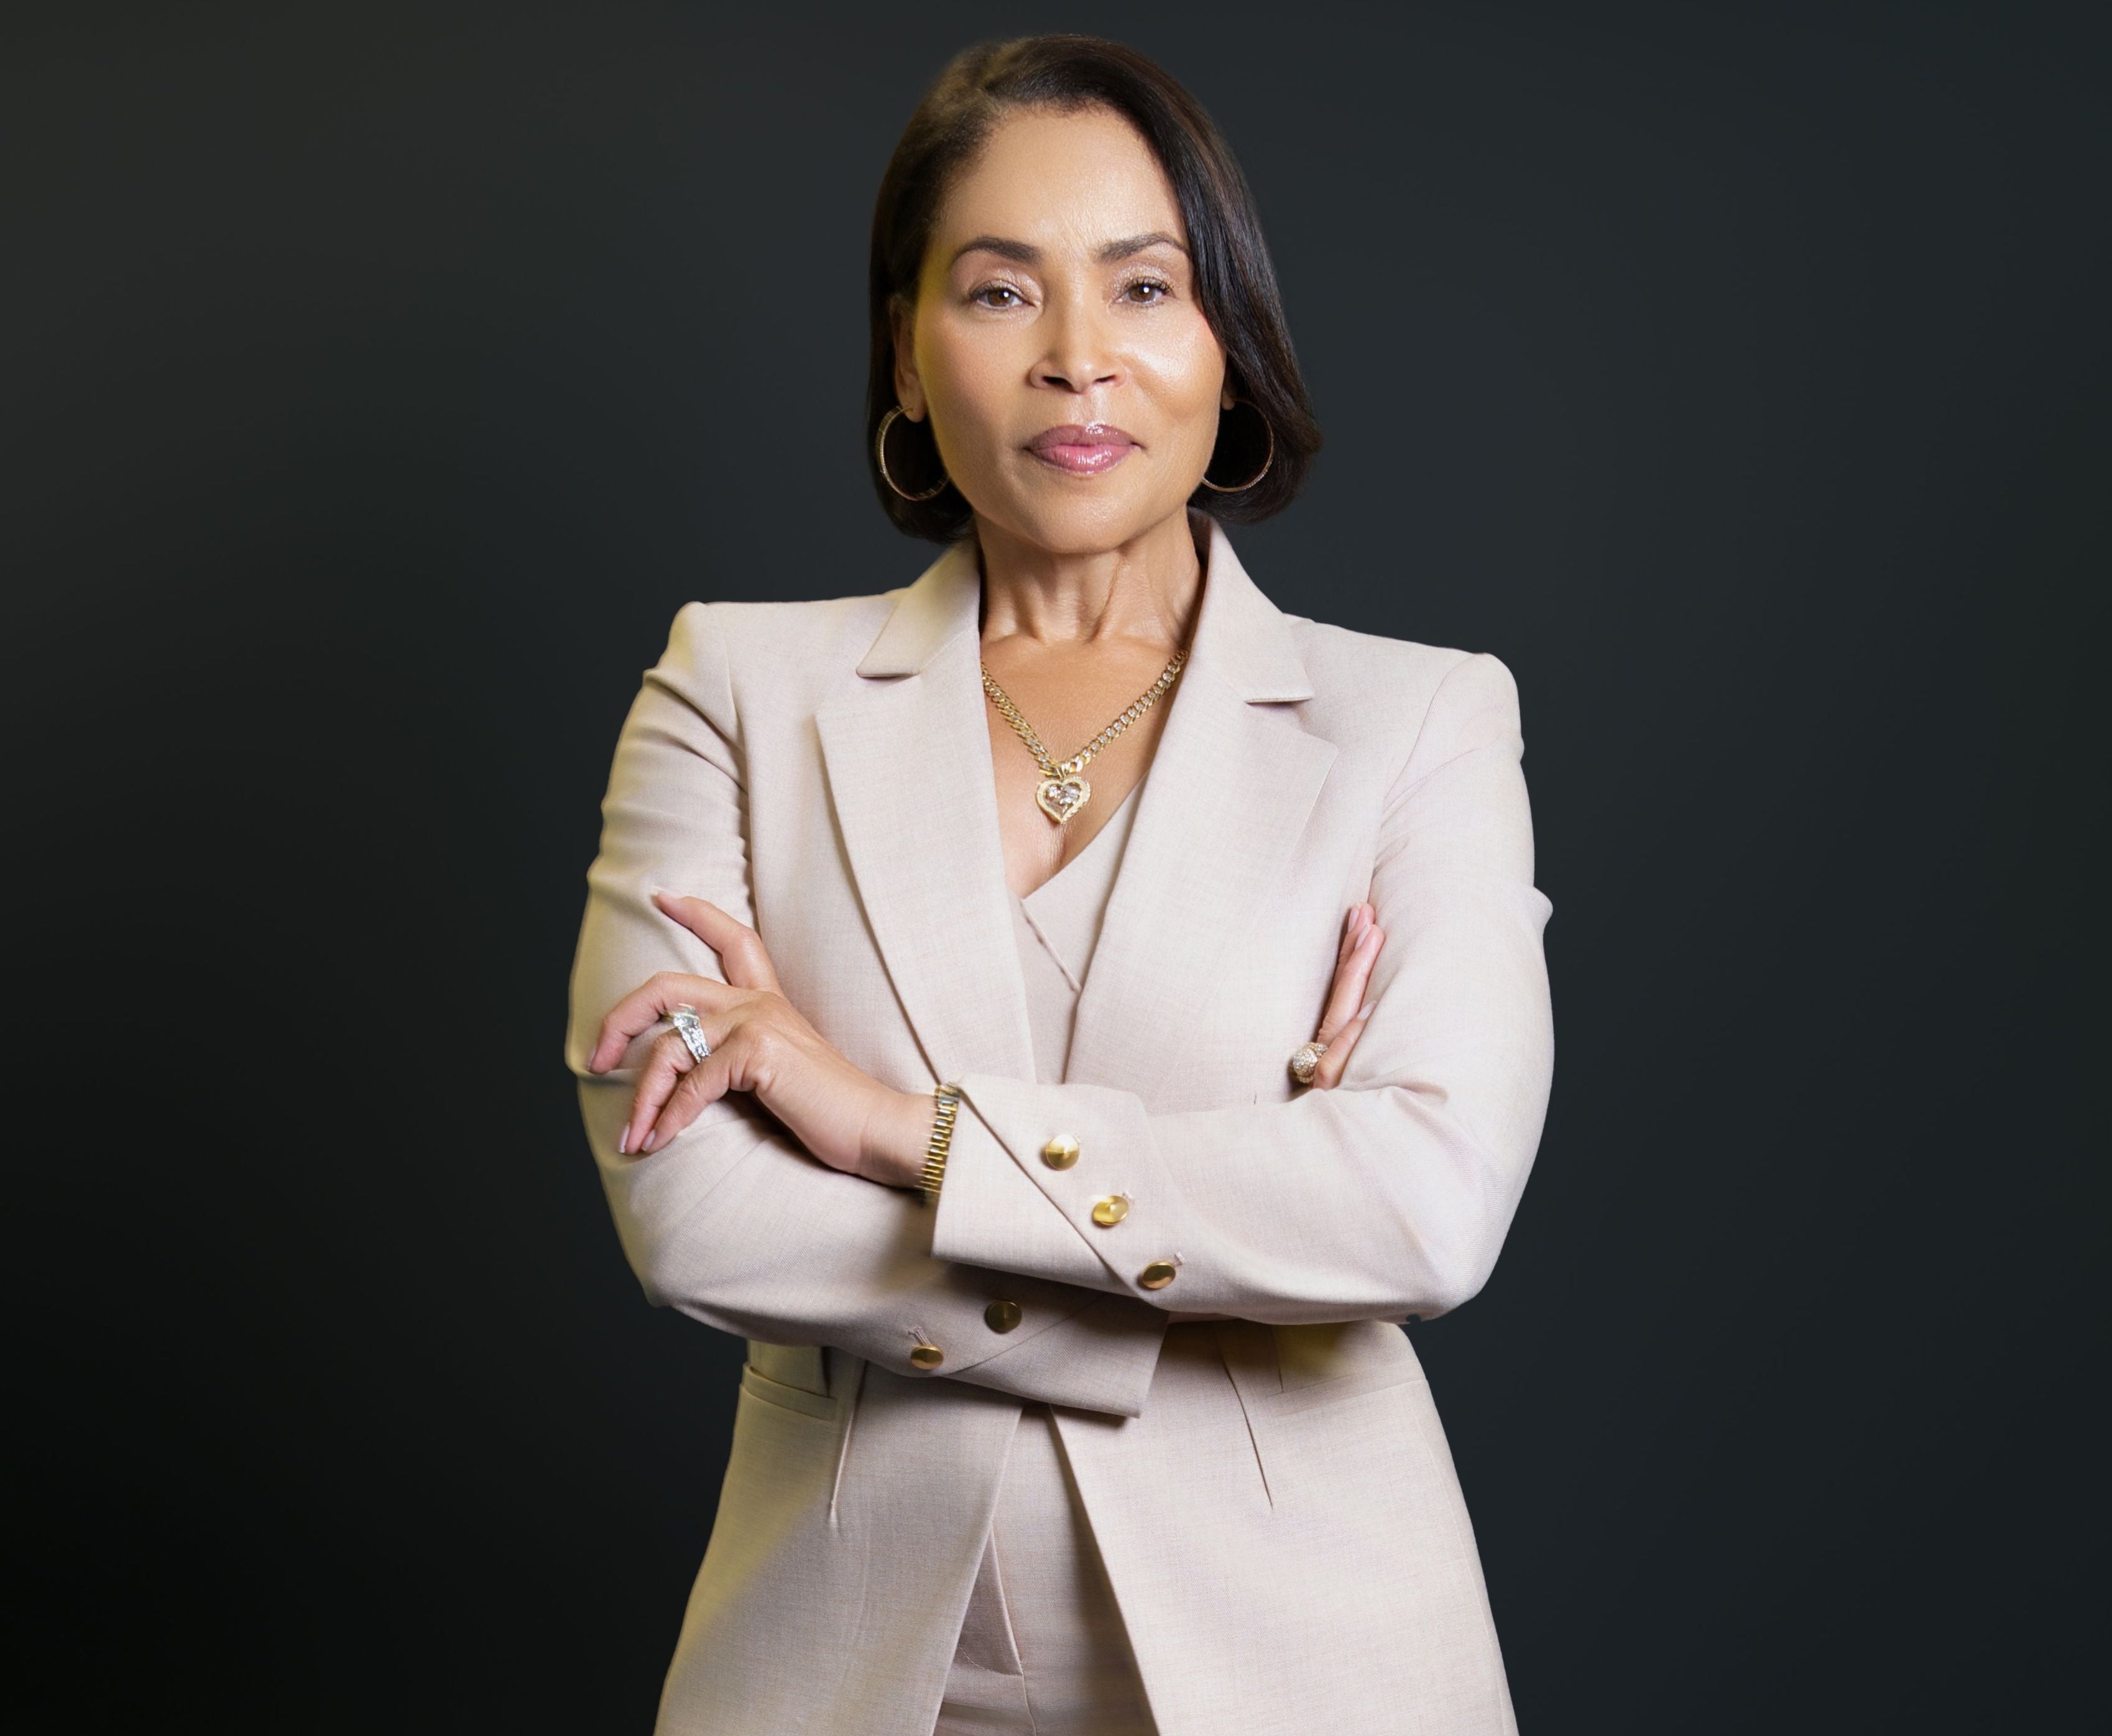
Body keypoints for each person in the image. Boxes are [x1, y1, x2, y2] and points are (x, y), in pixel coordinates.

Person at [567, 34, 1554, 1736]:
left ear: (1227, 351)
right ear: (906, 348)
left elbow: (1424, 1204)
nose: (1079, 361)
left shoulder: (1419, 722)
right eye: (1003, 293)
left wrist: (888, 1125)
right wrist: (1221, 1245)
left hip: (1314, 1664)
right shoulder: (732, 687)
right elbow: (694, 1210)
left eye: (1146, 287)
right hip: (838, 1667)